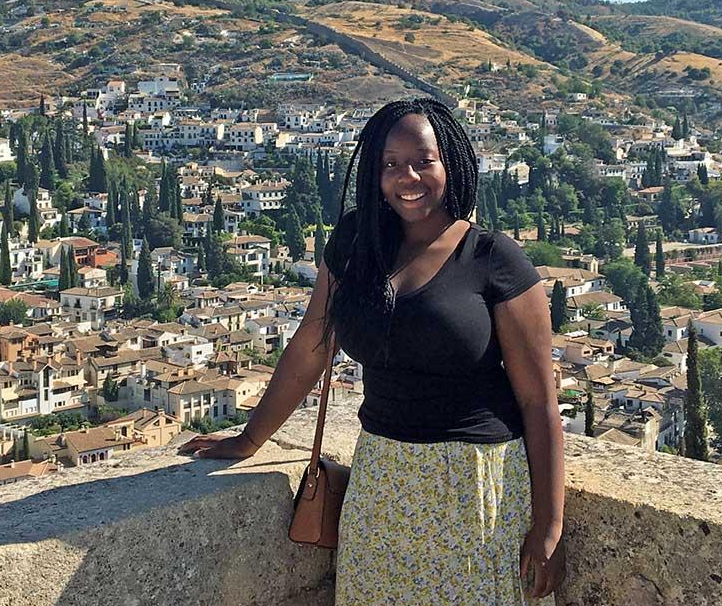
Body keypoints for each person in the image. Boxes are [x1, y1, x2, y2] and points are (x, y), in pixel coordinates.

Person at [180, 99, 566, 604]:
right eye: (390, 164)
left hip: (476, 487)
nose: (407, 177)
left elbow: (539, 402)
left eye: (423, 161)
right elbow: (311, 346)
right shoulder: (356, 242)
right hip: (381, 482)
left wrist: (549, 527)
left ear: (450, 162)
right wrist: (250, 438)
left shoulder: (493, 259)